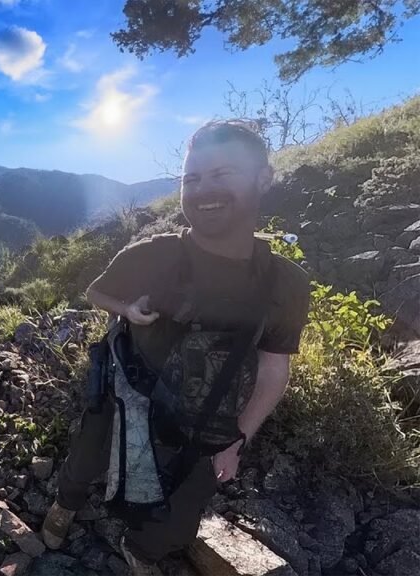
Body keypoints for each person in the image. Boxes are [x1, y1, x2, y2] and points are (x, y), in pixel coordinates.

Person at [40, 120, 311, 575]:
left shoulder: (285, 282)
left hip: (209, 422)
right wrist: (127, 308)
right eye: (192, 178)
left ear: (264, 178)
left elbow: (273, 369)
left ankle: (142, 550)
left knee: (180, 513)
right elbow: (96, 292)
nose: (204, 190)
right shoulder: (152, 254)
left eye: (222, 174)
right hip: (127, 395)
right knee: (88, 455)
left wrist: (238, 439)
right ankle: (66, 503)